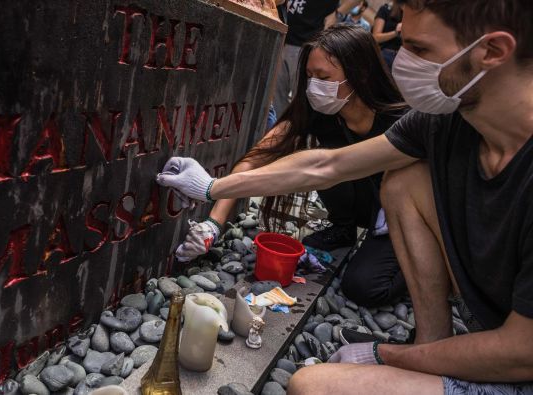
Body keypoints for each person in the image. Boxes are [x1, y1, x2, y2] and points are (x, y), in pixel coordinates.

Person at [157, 0, 533, 393]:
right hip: (492, 323)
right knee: (403, 182)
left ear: (492, 51)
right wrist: (211, 189)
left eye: (420, 50)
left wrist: (385, 355)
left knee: (311, 383)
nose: (403, 62)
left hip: (518, 364)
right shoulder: (440, 122)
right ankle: (431, 340)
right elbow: (326, 165)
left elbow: (521, 351)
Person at [172, 24, 409, 308]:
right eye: (309, 76)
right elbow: (256, 158)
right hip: (358, 201)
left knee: (363, 287)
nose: (314, 86)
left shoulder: (401, 119)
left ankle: (427, 268)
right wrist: (213, 223)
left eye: (324, 77)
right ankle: (343, 226)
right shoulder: (319, 111)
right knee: (328, 152)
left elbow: (324, 167)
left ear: (361, 73)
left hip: (398, 216)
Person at [273, 0, 359, 116]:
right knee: (276, 98)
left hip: (308, 41)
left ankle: (299, 131)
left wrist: (337, 14)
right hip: (283, 34)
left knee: (301, 102)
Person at [372, 1, 405, 68]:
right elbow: (375, 37)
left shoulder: (409, 17)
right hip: (384, 53)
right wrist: (395, 32)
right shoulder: (385, 9)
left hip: (400, 59)